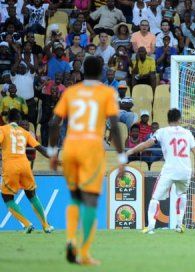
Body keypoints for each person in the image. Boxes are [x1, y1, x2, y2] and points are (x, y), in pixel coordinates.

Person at [48, 56, 126, 265]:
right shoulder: (106, 92)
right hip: (91, 147)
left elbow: (54, 123)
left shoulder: (71, 92)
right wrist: (121, 156)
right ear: (101, 72)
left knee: (74, 197)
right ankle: (83, 253)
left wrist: (53, 151)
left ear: (82, 70)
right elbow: (115, 126)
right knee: (90, 200)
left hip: (70, 146)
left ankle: (71, 239)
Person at [127, 108, 195, 234]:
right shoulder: (187, 133)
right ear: (179, 119)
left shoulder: (162, 132)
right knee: (182, 194)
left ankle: (150, 227)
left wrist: (131, 150)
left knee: (155, 198)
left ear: (168, 119)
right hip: (185, 170)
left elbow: (146, 144)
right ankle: (179, 225)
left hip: (170, 170)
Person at [0, 109, 53, 233]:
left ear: (7, 119)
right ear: (18, 120)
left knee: (7, 197)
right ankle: (46, 225)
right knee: (32, 195)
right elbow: (40, 149)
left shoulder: (2, 129)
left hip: (10, 166)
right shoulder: (25, 132)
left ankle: (27, 224)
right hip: (25, 166)